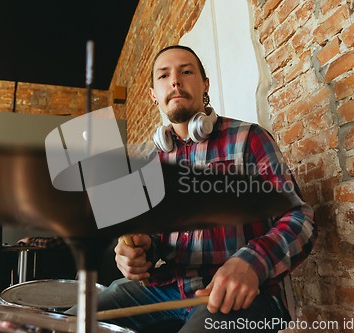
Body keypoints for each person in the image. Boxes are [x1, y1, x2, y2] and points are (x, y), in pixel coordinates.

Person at [83, 45, 317, 332]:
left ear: (205, 85)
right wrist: (143, 247)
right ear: (153, 94)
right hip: (165, 287)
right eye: (164, 75)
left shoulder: (249, 138)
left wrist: (251, 264)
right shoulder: (149, 163)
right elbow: (156, 235)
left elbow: (300, 218)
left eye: (186, 71)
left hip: (239, 297)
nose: (175, 81)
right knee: (69, 322)